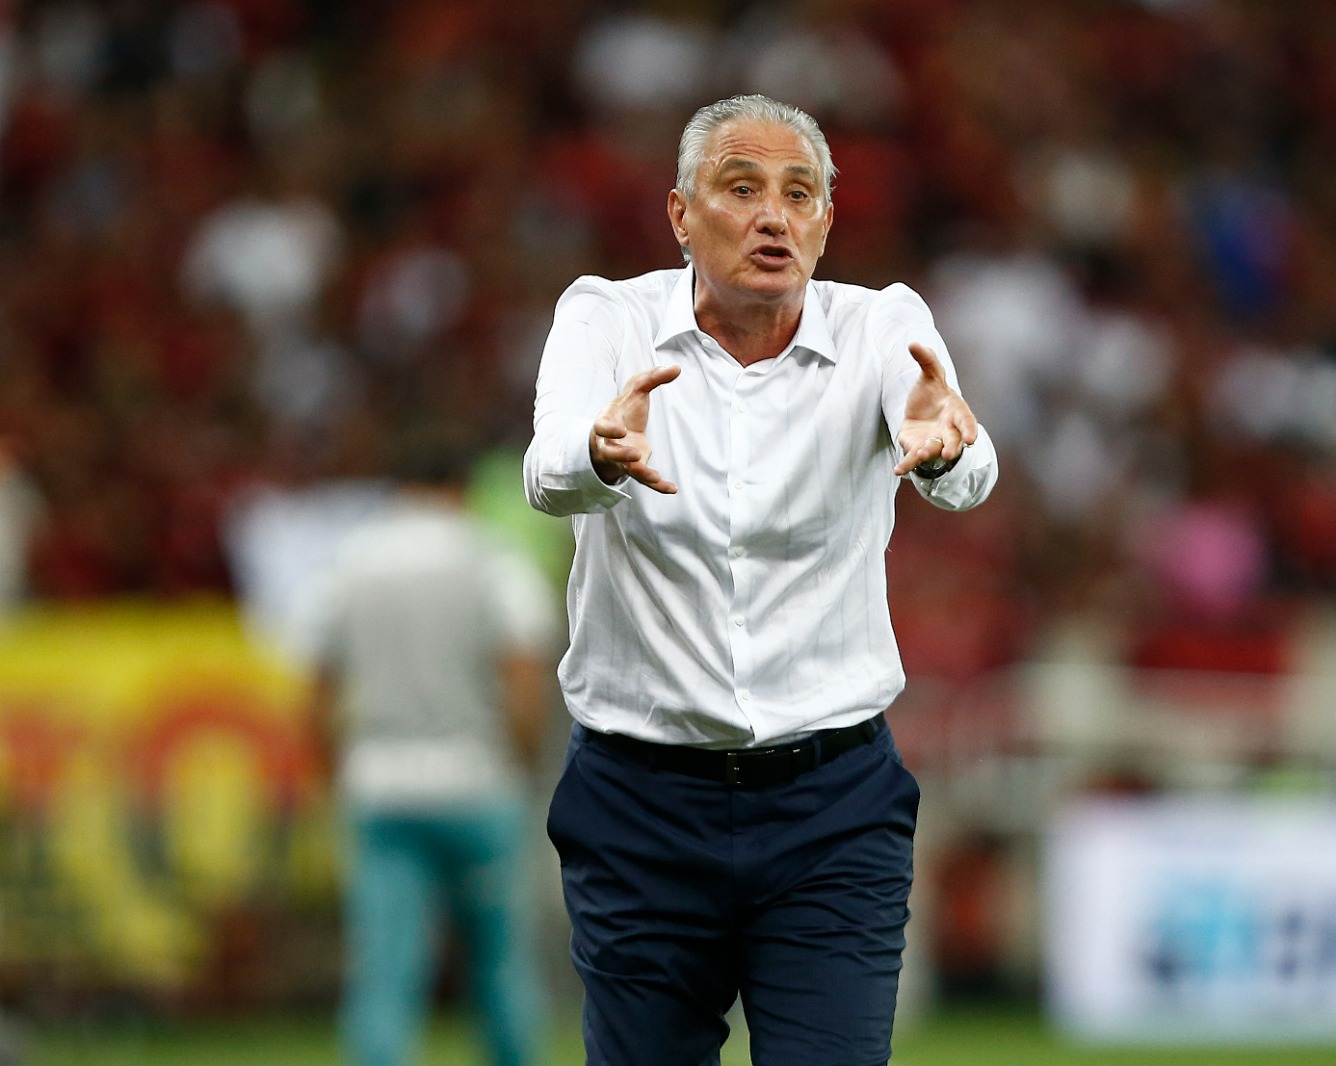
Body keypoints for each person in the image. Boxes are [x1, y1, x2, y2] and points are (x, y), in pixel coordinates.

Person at [523, 94, 999, 1065]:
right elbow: (548, 473)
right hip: (637, 800)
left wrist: (946, 448)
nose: (773, 216)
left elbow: (963, 458)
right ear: (679, 214)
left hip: (830, 804)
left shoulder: (882, 327)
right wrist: (599, 453)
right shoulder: (604, 317)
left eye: (800, 193)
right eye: (740, 188)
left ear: (826, 219)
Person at [305, 432, 558, 1066]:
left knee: (384, 972)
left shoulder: (353, 560)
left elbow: (317, 686)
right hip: (477, 781)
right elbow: (524, 677)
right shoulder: (490, 558)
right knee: (500, 966)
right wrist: (520, 768)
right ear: (462, 486)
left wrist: (332, 770)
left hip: (380, 782)